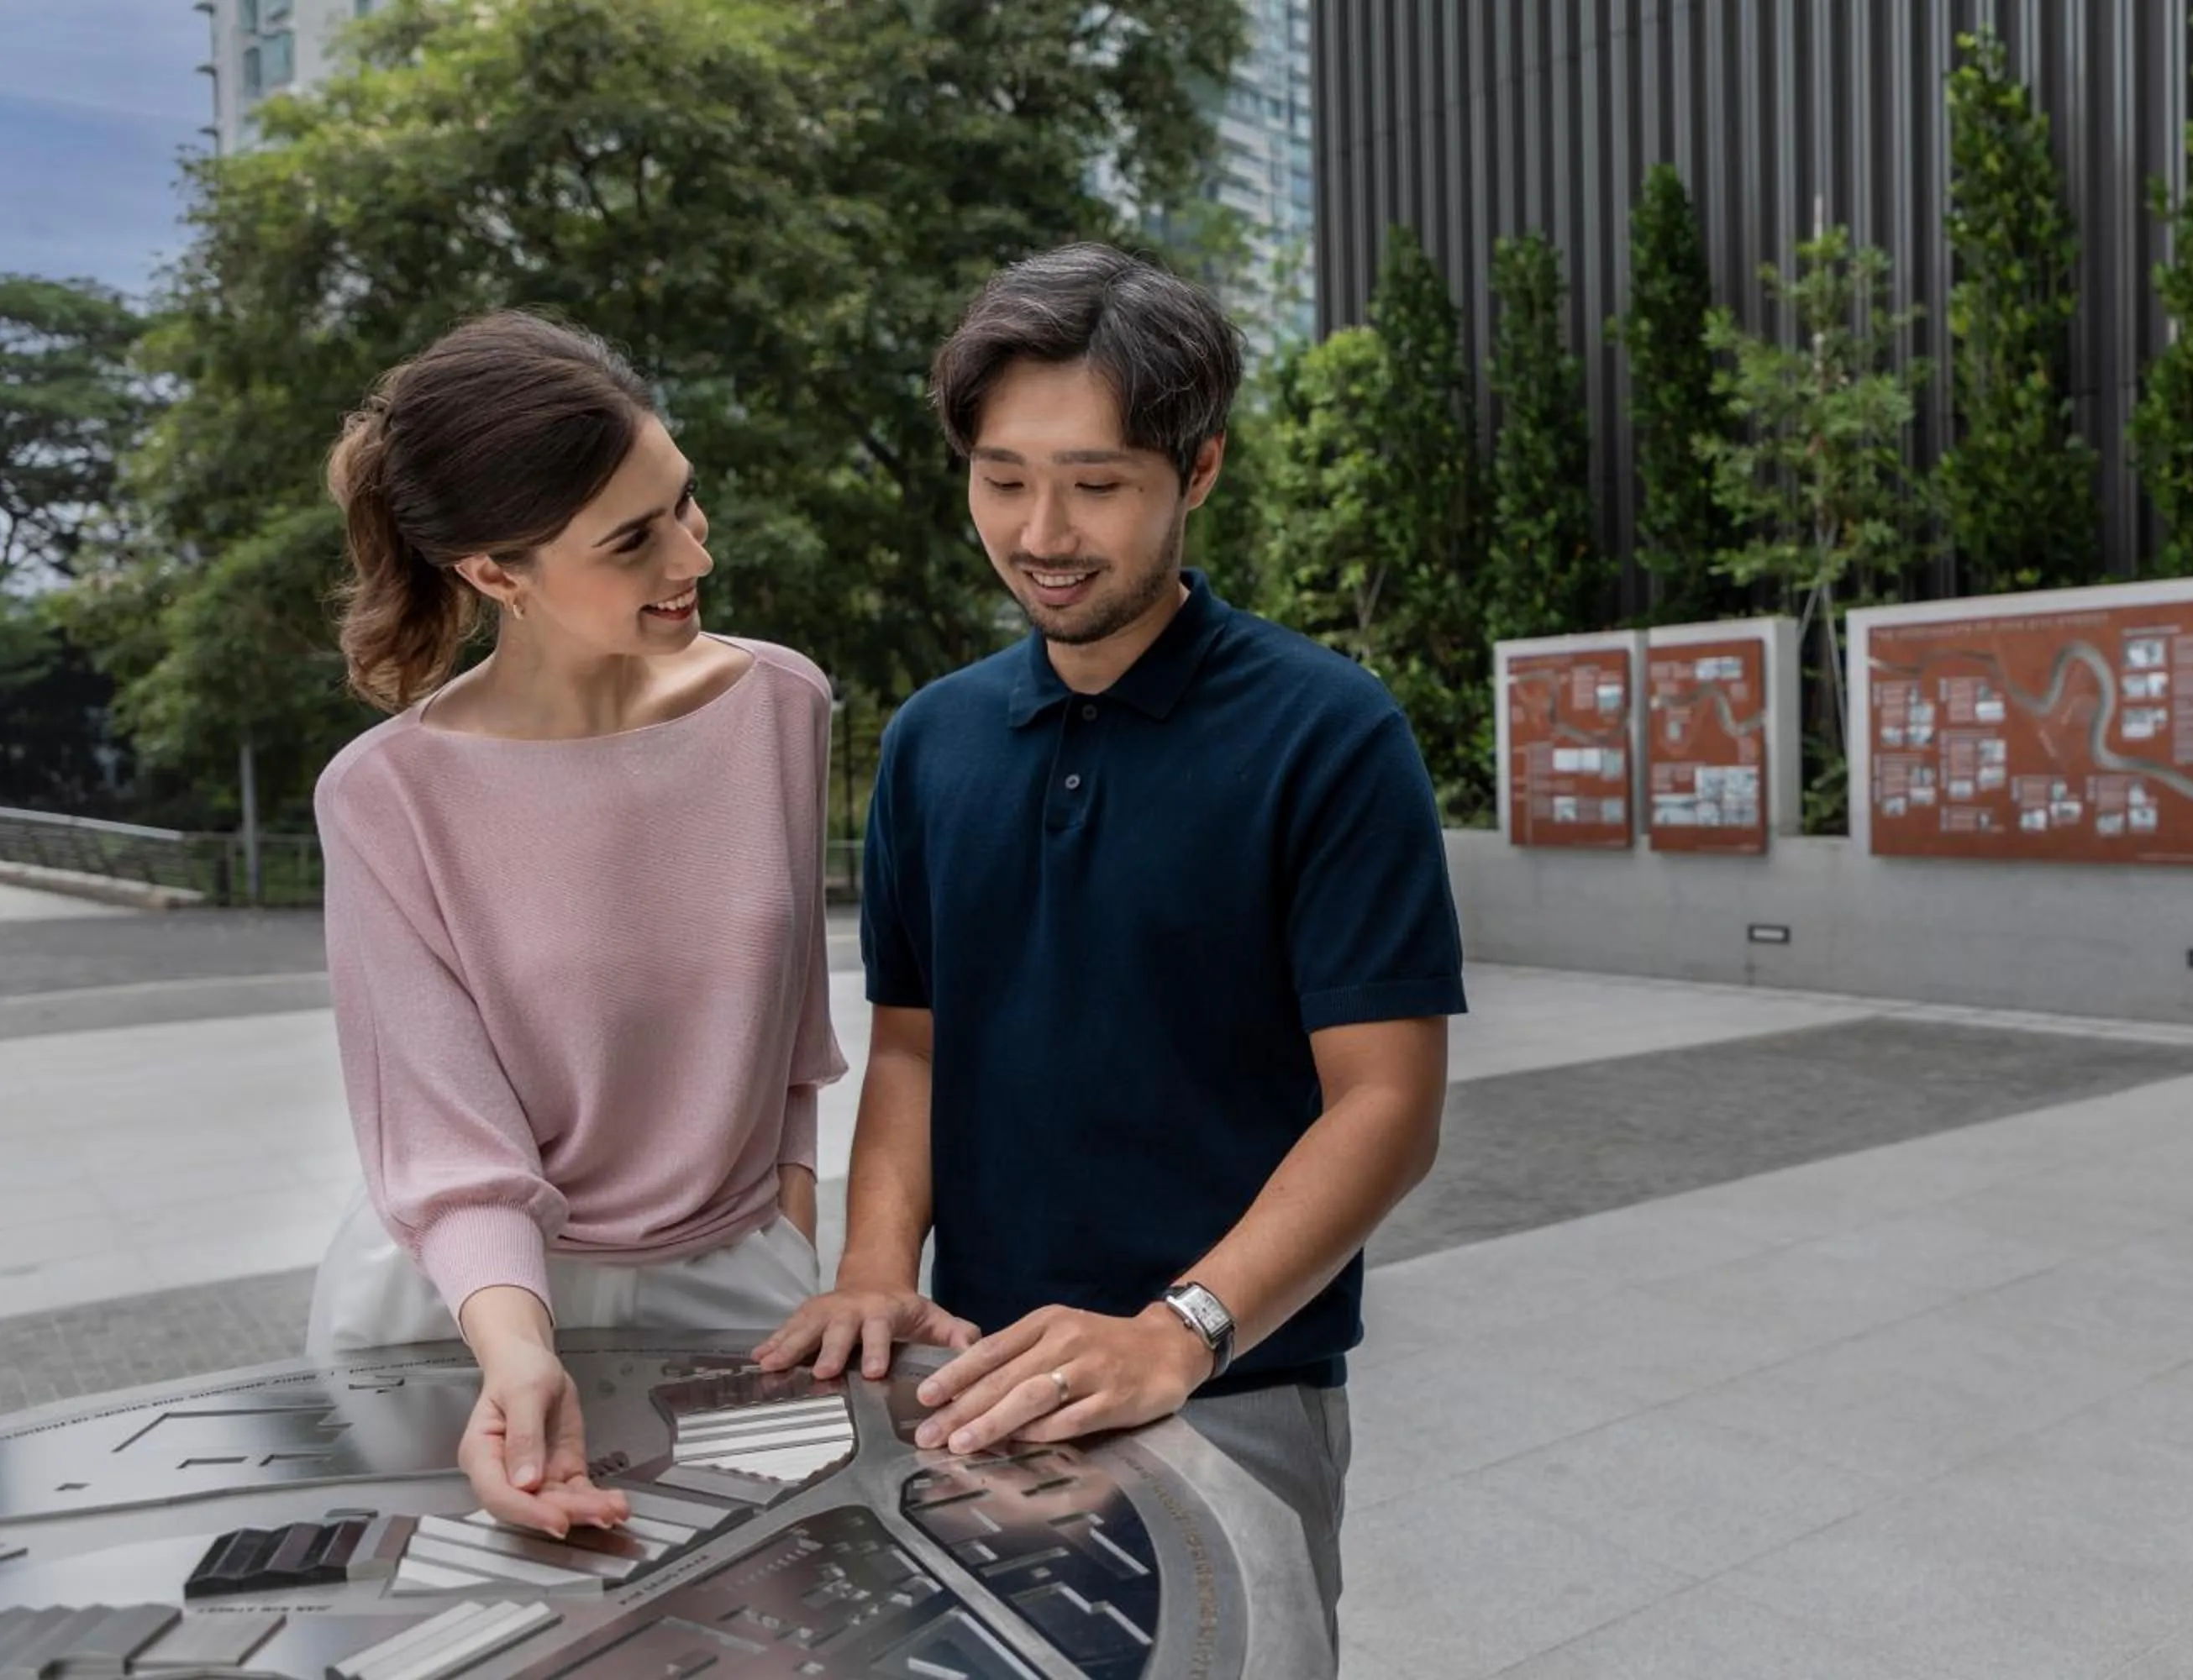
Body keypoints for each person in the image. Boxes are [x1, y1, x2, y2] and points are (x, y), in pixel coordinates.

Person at [755, 244, 1465, 1642]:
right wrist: (877, 1271)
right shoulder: (931, 740)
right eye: (1003, 479)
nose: (1042, 531)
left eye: (1096, 484)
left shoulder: (1329, 735)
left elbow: (1388, 1104)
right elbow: (912, 1041)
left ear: (1196, 471)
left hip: (1235, 1380)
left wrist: (1178, 1330)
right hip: (966, 1380)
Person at [304, 311, 858, 1540]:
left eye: (685, 501)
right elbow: (449, 1152)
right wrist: (515, 1358)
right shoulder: (386, 798)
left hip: (737, 1290)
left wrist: (783, 1235)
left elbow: (791, 1033)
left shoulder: (781, 706)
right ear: (498, 573)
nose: (692, 556)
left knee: (771, 1627)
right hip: (469, 1319)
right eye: (633, 538)